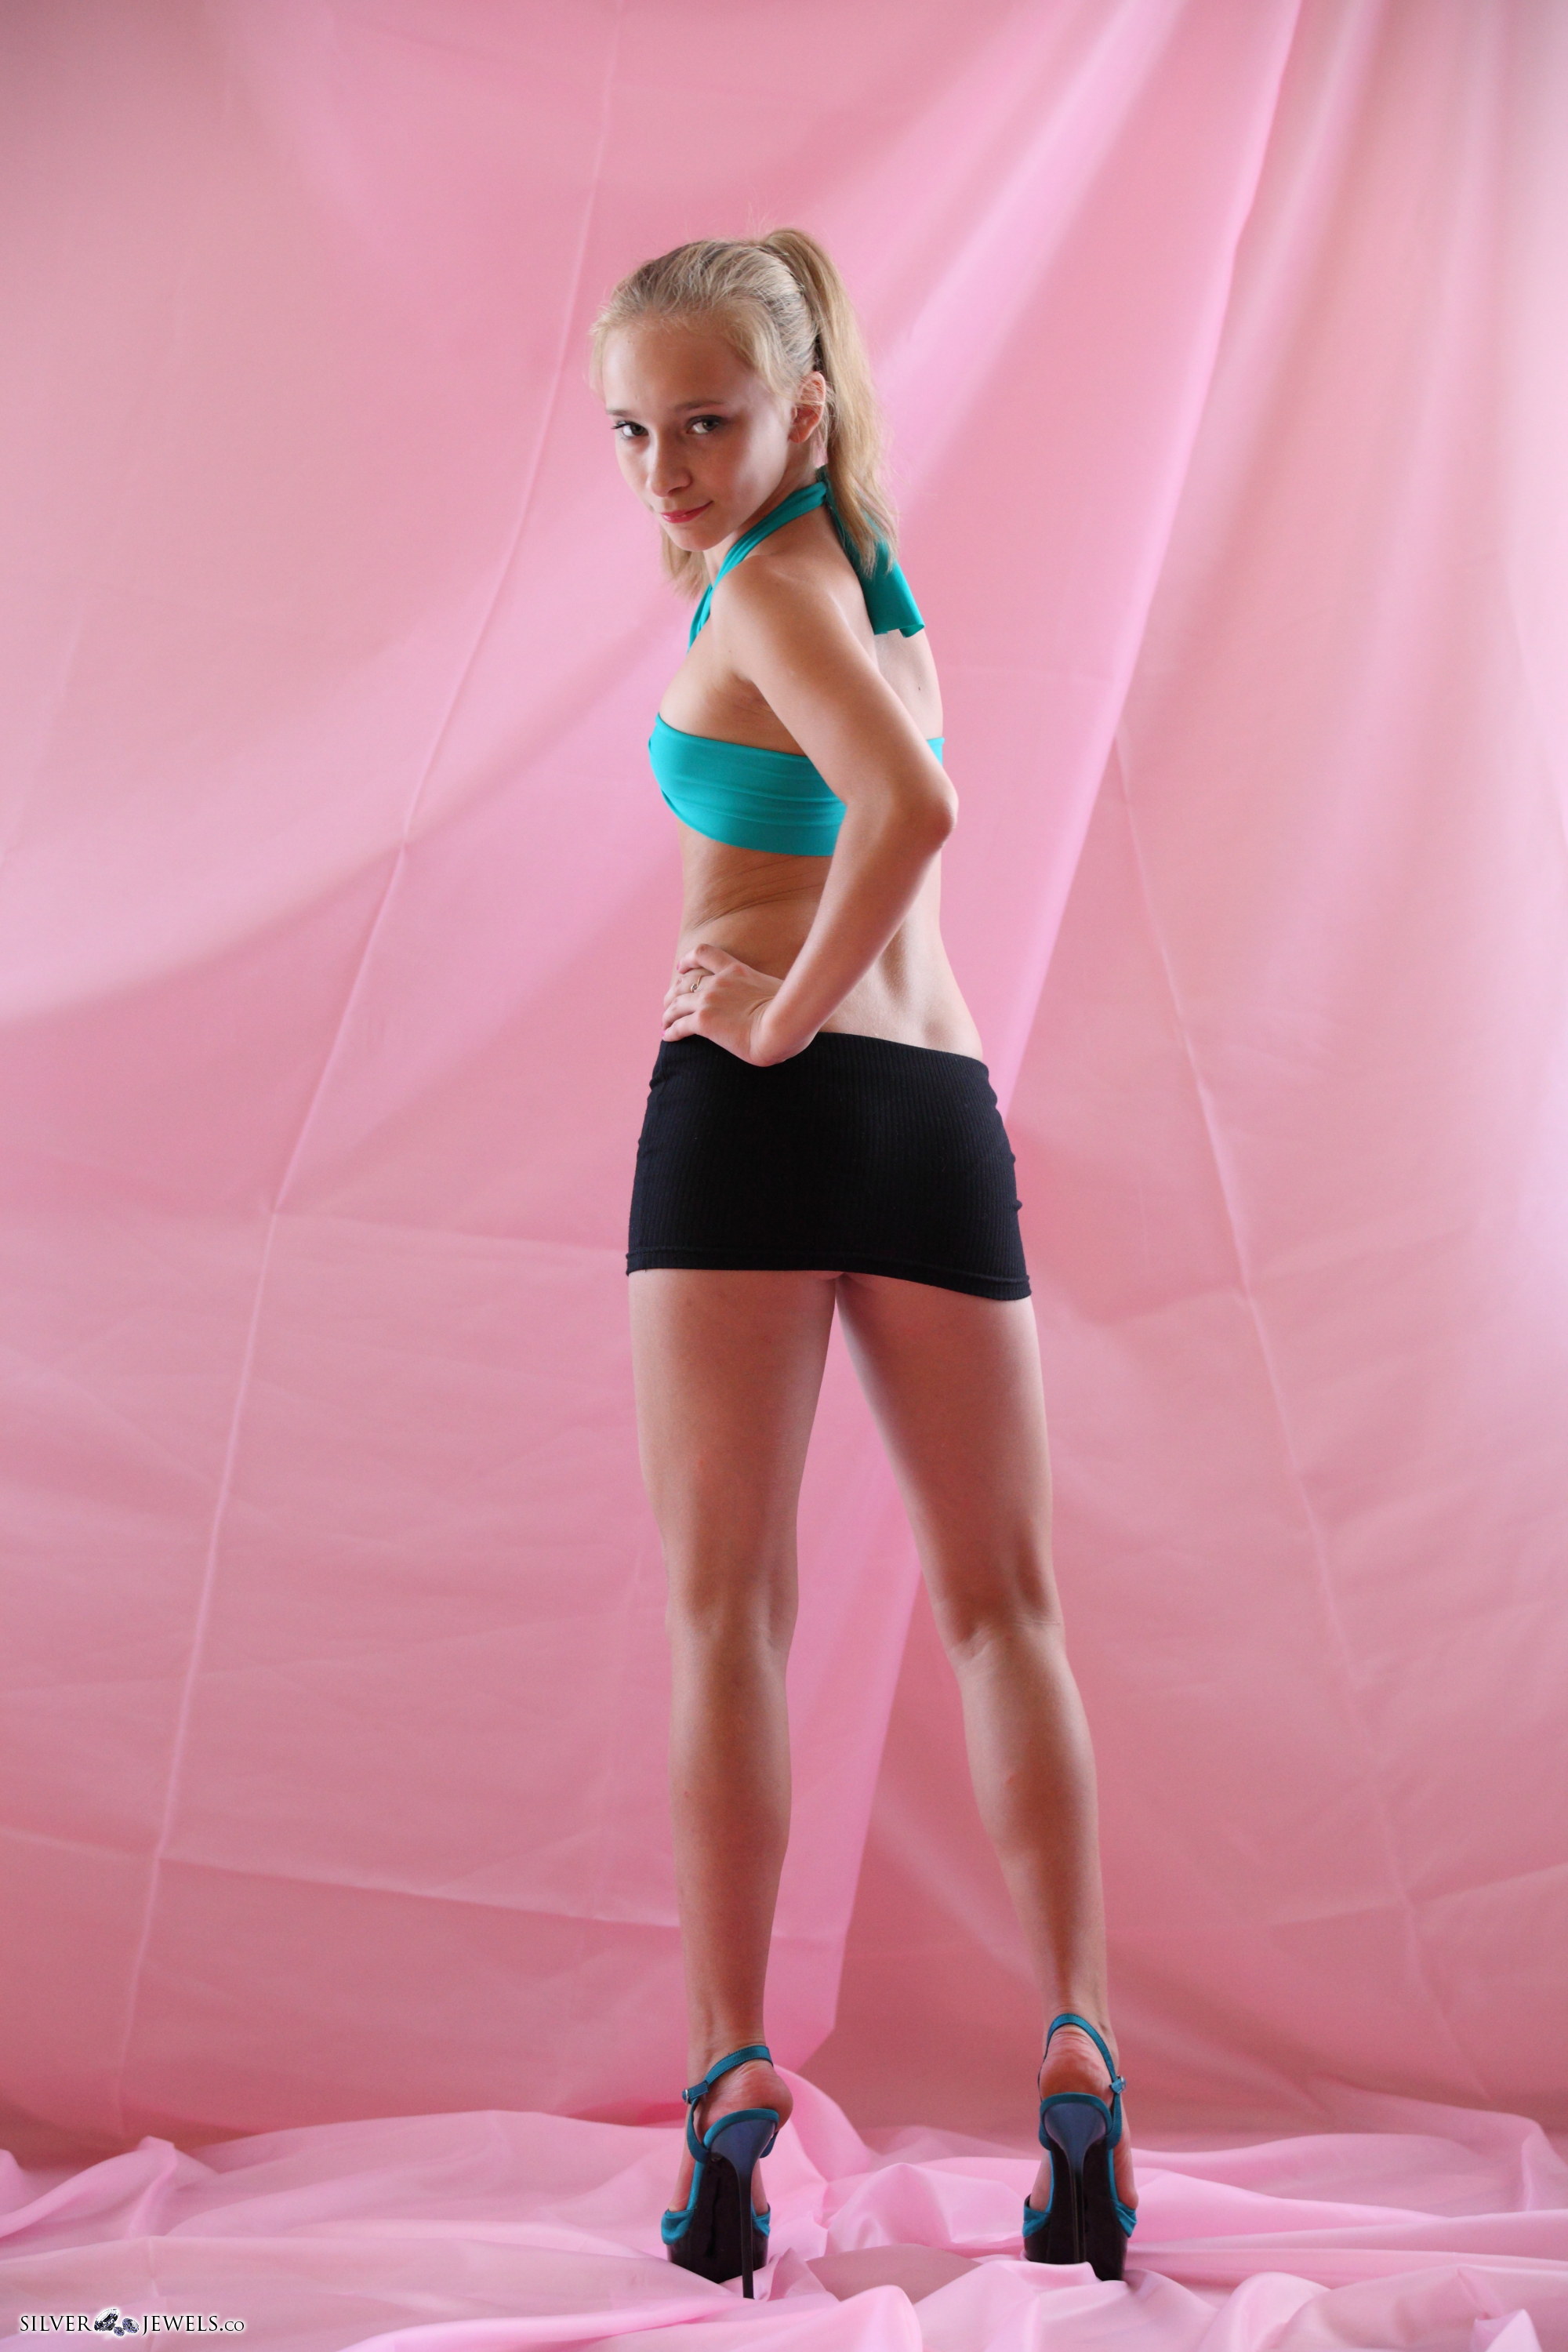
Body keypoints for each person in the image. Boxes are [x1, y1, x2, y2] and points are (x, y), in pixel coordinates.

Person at [590, 230, 1138, 2296]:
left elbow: (908, 811)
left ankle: (728, 2081)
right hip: (933, 1114)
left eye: (707, 422)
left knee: (727, 1609)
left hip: (764, 1104)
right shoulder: (868, 579)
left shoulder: (769, 589)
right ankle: (1081, 2054)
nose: (667, 472)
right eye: (634, 432)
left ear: (803, 406)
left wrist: (778, 1017)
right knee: (1009, 1609)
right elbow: (900, 787)